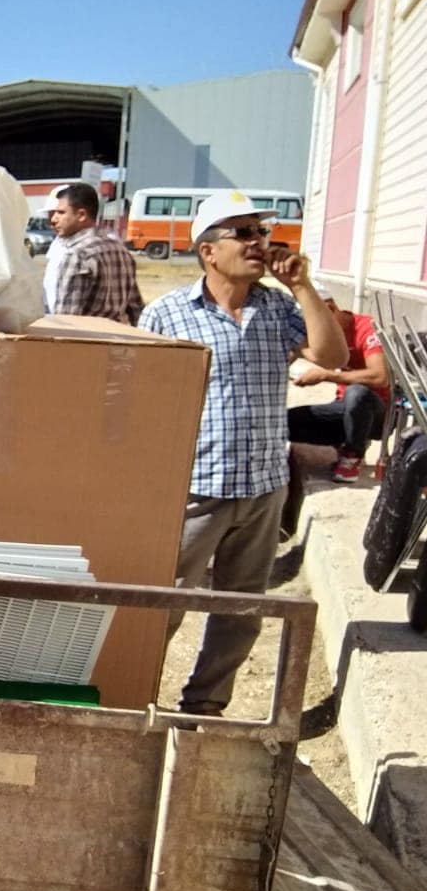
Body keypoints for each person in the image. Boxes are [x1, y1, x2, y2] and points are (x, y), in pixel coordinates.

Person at [139, 190, 346, 717]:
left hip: (263, 489)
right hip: (197, 488)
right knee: (162, 605)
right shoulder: (167, 315)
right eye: (244, 233)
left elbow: (333, 355)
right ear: (209, 251)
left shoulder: (277, 307)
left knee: (241, 611)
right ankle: (133, 696)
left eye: (261, 232)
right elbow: (142, 401)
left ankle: (204, 706)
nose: (259, 243)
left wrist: (301, 286)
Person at [287, 282, 389, 483]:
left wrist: (326, 375)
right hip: (342, 407)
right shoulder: (319, 334)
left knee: (357, 393)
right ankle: (344, 442)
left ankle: (352, 455)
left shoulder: (366, 327)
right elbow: (291, 354)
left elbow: (380, 377)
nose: (312, 330)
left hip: (376, 412)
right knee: (283, 423)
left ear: (331, 309)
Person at [46, 182, 142, 325]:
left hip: (86, 336)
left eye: (61, 213)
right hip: (116, 335)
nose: (53, 219)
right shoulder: (120, 249)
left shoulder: (77, 255)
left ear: (81, 215)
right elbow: (135, 309)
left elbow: (65, 320)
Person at [40, 185, 70, 310]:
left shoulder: (97, 248)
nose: (53, 219)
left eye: (60, 213)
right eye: (50, 214)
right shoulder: (58, 243)